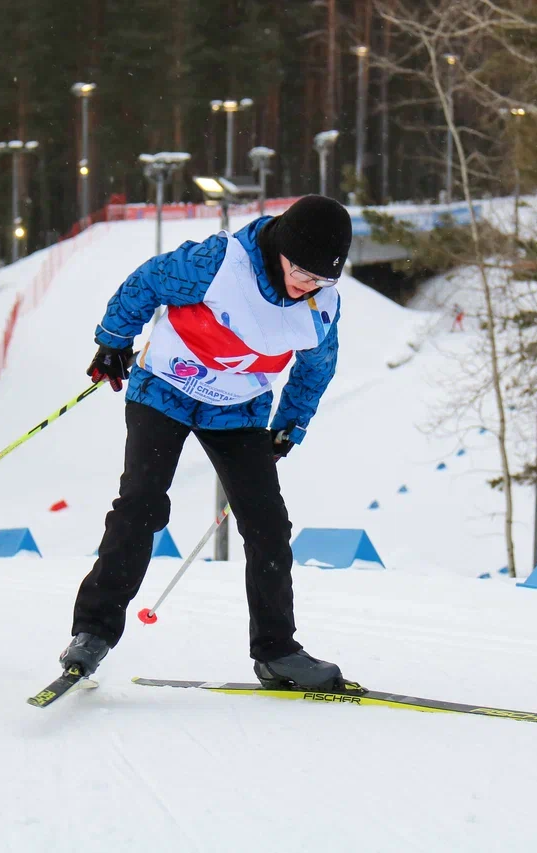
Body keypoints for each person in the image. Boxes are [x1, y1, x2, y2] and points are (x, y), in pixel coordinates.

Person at [61, 194, 353, 691]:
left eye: (321, 278)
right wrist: (114, 340)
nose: (308, 284)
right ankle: (93, 631)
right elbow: (148, 281)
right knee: (142, 505)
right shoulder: (220, 263)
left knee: (267, 524)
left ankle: (277, 652)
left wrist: (291, 422)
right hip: (164, 391)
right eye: (301, 270)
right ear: (281, 247)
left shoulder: (321, 308)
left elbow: (316, 367)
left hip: (238, 410)